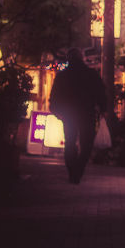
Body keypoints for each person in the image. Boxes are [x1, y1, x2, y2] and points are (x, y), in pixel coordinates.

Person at [49, 48, 107, 184]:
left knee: (70, 143)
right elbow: (101, 92)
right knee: (87, 144)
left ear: (69, 59)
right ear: (82, 58)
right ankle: (78, 170)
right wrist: (103, 108)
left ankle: (72, 173)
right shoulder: (91, 74)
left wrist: (58, 112)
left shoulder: (62, 76)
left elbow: (54, 97)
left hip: (69, 114)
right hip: (87, 113)